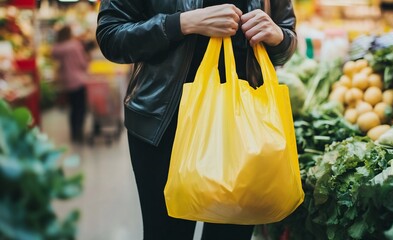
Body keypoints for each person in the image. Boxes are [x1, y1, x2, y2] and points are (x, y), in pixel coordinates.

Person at [96, 0, 297, 239]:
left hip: (245, 127)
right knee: (167, 233)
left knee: (231, 234)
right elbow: (111, 36)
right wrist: (182, 23)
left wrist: (278, 37)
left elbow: (287, 36)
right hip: (165, 124)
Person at [52, 25, 90, 143]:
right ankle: (79, 132)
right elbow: (83, 63)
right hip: (79, 80)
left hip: (66, 81)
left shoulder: (57, 48)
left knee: (73, 108)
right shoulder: (75, 46)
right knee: (81, 108)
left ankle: (73, 132)